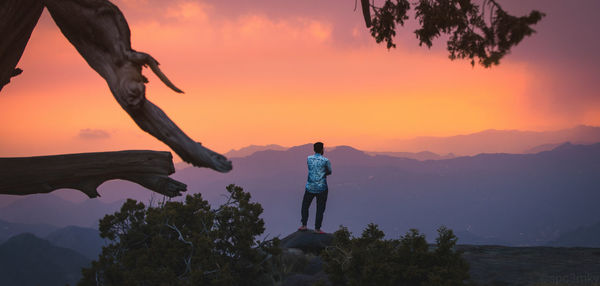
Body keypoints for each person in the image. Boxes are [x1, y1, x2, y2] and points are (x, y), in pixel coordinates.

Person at [298, 142, 332, 234]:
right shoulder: (326, 161)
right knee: (320, 208)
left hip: (310, 186)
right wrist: (323, 173)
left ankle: (304, 225)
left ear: (314, 149)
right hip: (322, 187)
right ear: (322, 149)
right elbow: (329, 171)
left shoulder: (309, 159)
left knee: (305, 206)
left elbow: (311, 168)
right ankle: (317, 228)